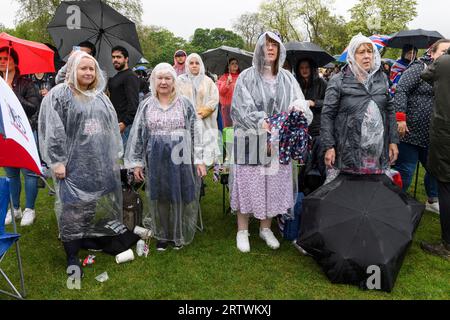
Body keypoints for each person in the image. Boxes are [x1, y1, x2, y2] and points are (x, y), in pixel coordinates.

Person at [39, 51, 123, 277]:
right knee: (72, 209)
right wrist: (57, 161)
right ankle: (71, 254)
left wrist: (113, 153)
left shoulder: (99, 96)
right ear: (72, 71)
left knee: (90, 203)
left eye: (91, 69)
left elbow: (110, 128)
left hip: (96, 162)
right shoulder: (59, 95)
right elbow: (53, 132)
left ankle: (84, 236)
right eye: (83, 68)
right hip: (71, 165)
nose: (88, 72)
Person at [230, 31, 312, 253]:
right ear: (258, 48)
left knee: (272, 184)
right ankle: (243, 230)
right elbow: (240, 109)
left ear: (279, 49)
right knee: (249, 184)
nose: (270, 48)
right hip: (251, 140)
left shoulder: (286, 78)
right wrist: (263, 126)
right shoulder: (246, 77)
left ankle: (266, 228)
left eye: (274, 44)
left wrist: (299, 108)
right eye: (265, 44)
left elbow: (298, 102)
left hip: (278, 143)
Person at [125, 63, 206, 251]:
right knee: (161, 195)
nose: (163, 82)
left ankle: (177, 234)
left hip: (181, 155)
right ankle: (163, 234)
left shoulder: (184, 103)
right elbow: (137, 134)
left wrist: (199, 158)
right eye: (159, 78)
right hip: (156, 158)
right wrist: (136, 163)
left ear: (173, 81)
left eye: (167, 78)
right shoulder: (146, 104)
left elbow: (195, 131)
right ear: (153, 80)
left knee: (178, 195)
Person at [321, 34, 399, 178]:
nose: (367, 56)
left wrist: (393, 141)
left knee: (373, 193)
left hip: (376, 151)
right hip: (348, 151)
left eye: (370, 52)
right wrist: (329, 146)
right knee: (349, 193)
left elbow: (390, 110)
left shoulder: (381, 78)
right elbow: (327, 115)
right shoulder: (339, 81)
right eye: (361, 52)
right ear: (352, 56)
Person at [394, 39, 450, 214]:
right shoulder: (419, 68)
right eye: (444, 51)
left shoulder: (445, 71)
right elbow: (401, 89)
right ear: (432, 53)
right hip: (411, 131)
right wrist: (401, 118)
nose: (447, 55)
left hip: (434, 134)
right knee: (406, 169)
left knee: (435, 170)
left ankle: (432, 199)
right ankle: (396, 200)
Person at [0, 47, 40, 226]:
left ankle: (29, 209)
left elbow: (33, 107)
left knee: (29, 172)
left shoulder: (25, 83)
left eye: (5, 58)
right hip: (4, 134)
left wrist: (12, 93)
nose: (1, 61)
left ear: (14, 62)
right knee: (11, 173)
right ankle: (14, 208)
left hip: (24, 133)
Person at [420, 46, 450, 259]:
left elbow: (425, 74)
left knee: (445, 184)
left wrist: (435, 58)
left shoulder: (443, 63)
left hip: (445, 131)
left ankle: (447, 245)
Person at [178, 53, 220, 167]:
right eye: (191, 63)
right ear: (187, 65)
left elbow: (214, 99)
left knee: (203, 151)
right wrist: (190, 115)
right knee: (187, 152)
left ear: (201, 65)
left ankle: (201, 179)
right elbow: (177, 100)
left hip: (205, 122)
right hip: (186, 123)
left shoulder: (208, 81)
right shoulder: (180, 81)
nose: (194, 65)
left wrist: (201, 114)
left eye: (197, 63)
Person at [294, 58, 328, 193]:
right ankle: (302, 192)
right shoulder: (296, 84)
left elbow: (330, 103)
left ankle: (321, 192)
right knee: (303, 164)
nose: (304, 70)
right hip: (302, 130)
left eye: (307, 67)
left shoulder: (321, 83)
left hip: (318, 129)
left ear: (312, 68)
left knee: (320, 163)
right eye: (301, 67)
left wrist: (314, 103)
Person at [108, 46, 140, 148]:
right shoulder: (117, 76)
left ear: (126, 59)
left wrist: (124, 123)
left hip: (125, 126)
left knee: (124, 159)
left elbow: (134, 103)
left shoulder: (130, 76)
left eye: (119, 57)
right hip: (115, 122)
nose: (115, 60)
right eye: (113, 57)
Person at [217, 58, 240, 128]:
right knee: (228, 130)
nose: (235, 65)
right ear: (228, 66)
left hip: (239, 107)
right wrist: (227, 83)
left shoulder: (241, 77)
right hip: (227, 108)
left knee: (239, 128)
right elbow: (221, 92)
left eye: (236, 63)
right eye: (232, 63)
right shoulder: (223, 78)